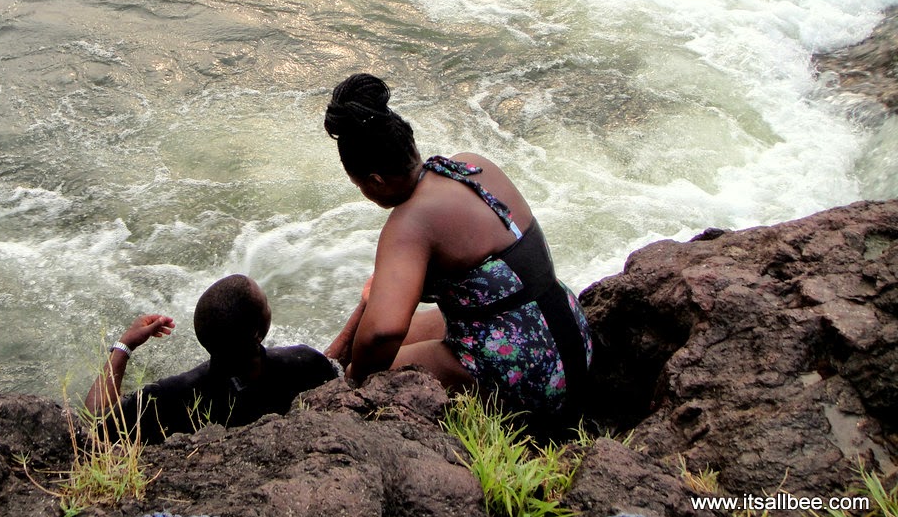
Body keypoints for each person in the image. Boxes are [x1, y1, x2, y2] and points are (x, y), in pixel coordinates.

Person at [322, 73, 591, 429]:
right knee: (423, 327)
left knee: (363, 368)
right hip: (571, 339)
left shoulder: (409, 223)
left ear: (375, 181)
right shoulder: (470, 166)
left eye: (360, 186)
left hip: (532, 378)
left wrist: (356, 385)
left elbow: (381, 333)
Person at [85, 274, 338, 443]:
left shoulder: (170, 397)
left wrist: (124, 345)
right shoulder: (301, 364)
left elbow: (93, 425)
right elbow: (333, 372)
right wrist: (362, 307)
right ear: (259, 333)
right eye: (267, 304)